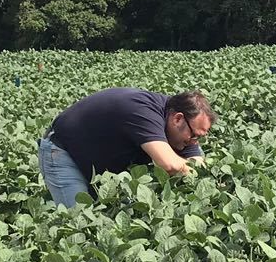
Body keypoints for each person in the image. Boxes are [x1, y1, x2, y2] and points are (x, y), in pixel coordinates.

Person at [38, 88, 214, 207]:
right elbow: (169, 164)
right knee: (77, 222)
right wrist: (196, 176)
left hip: (98, 163)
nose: (193, 142)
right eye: (193, 136)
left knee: (105, 220)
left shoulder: (177, 123)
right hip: (63, 153)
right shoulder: (144, 113)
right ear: (178, 119)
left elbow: (197, 161)